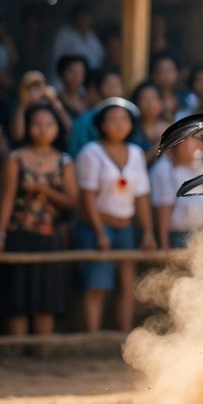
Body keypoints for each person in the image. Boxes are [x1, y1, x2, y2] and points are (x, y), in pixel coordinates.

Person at [0, 104, 76, 340]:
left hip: (49, 236)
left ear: (56, 128)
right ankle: (17, 351)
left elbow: (72, 201)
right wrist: (0, 234)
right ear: (28, 127)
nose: (42, 129)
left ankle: (43, 352)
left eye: (48, 124)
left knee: (46, 297)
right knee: (16, 297)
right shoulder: (15, 159)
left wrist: (43, 190)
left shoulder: (64, 161)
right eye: (37, 124)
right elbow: (7, 199)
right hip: (17, 234)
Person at [76, 98, 155, 332]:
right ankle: (92, 338)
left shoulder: (136, 153)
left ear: (131, 124)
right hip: (97, 225)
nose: (119, 124)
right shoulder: (91, 152)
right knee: (97, 285)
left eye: (124, 119)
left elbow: (142, 196)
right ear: (102, 125)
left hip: (126, 226)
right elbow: (87, 196)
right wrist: (99, 231)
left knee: (127, 283)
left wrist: (148, 231)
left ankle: (125, 336)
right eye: (112, 119)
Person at [149, 135, 203, 249]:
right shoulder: (164, 169)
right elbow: (163, 208)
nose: (194, 144)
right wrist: (164, 244)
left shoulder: (200, 164)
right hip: (180, 236)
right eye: (186, 141)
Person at [49, 3, 104, 78]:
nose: (86, 20)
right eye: (83, 17)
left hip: (91, 77)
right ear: (76, 17)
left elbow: (99, 56)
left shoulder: (91, 35)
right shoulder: (64, 33)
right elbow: (56, 58)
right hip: (68, 77)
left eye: (88, 17)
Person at [131, 80, 170, 162]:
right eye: (145, 99)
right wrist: (157, 149)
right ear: (137, 103)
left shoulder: (170, 128)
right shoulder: (131, 130)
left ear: (161, 102)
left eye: (154, 98)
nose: (150, 103)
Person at [55, 53, 89, 119]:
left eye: (80, 72)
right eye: (71, 72)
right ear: (62, 74)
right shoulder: (55, 100)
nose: (76, 77)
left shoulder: (89, 100)